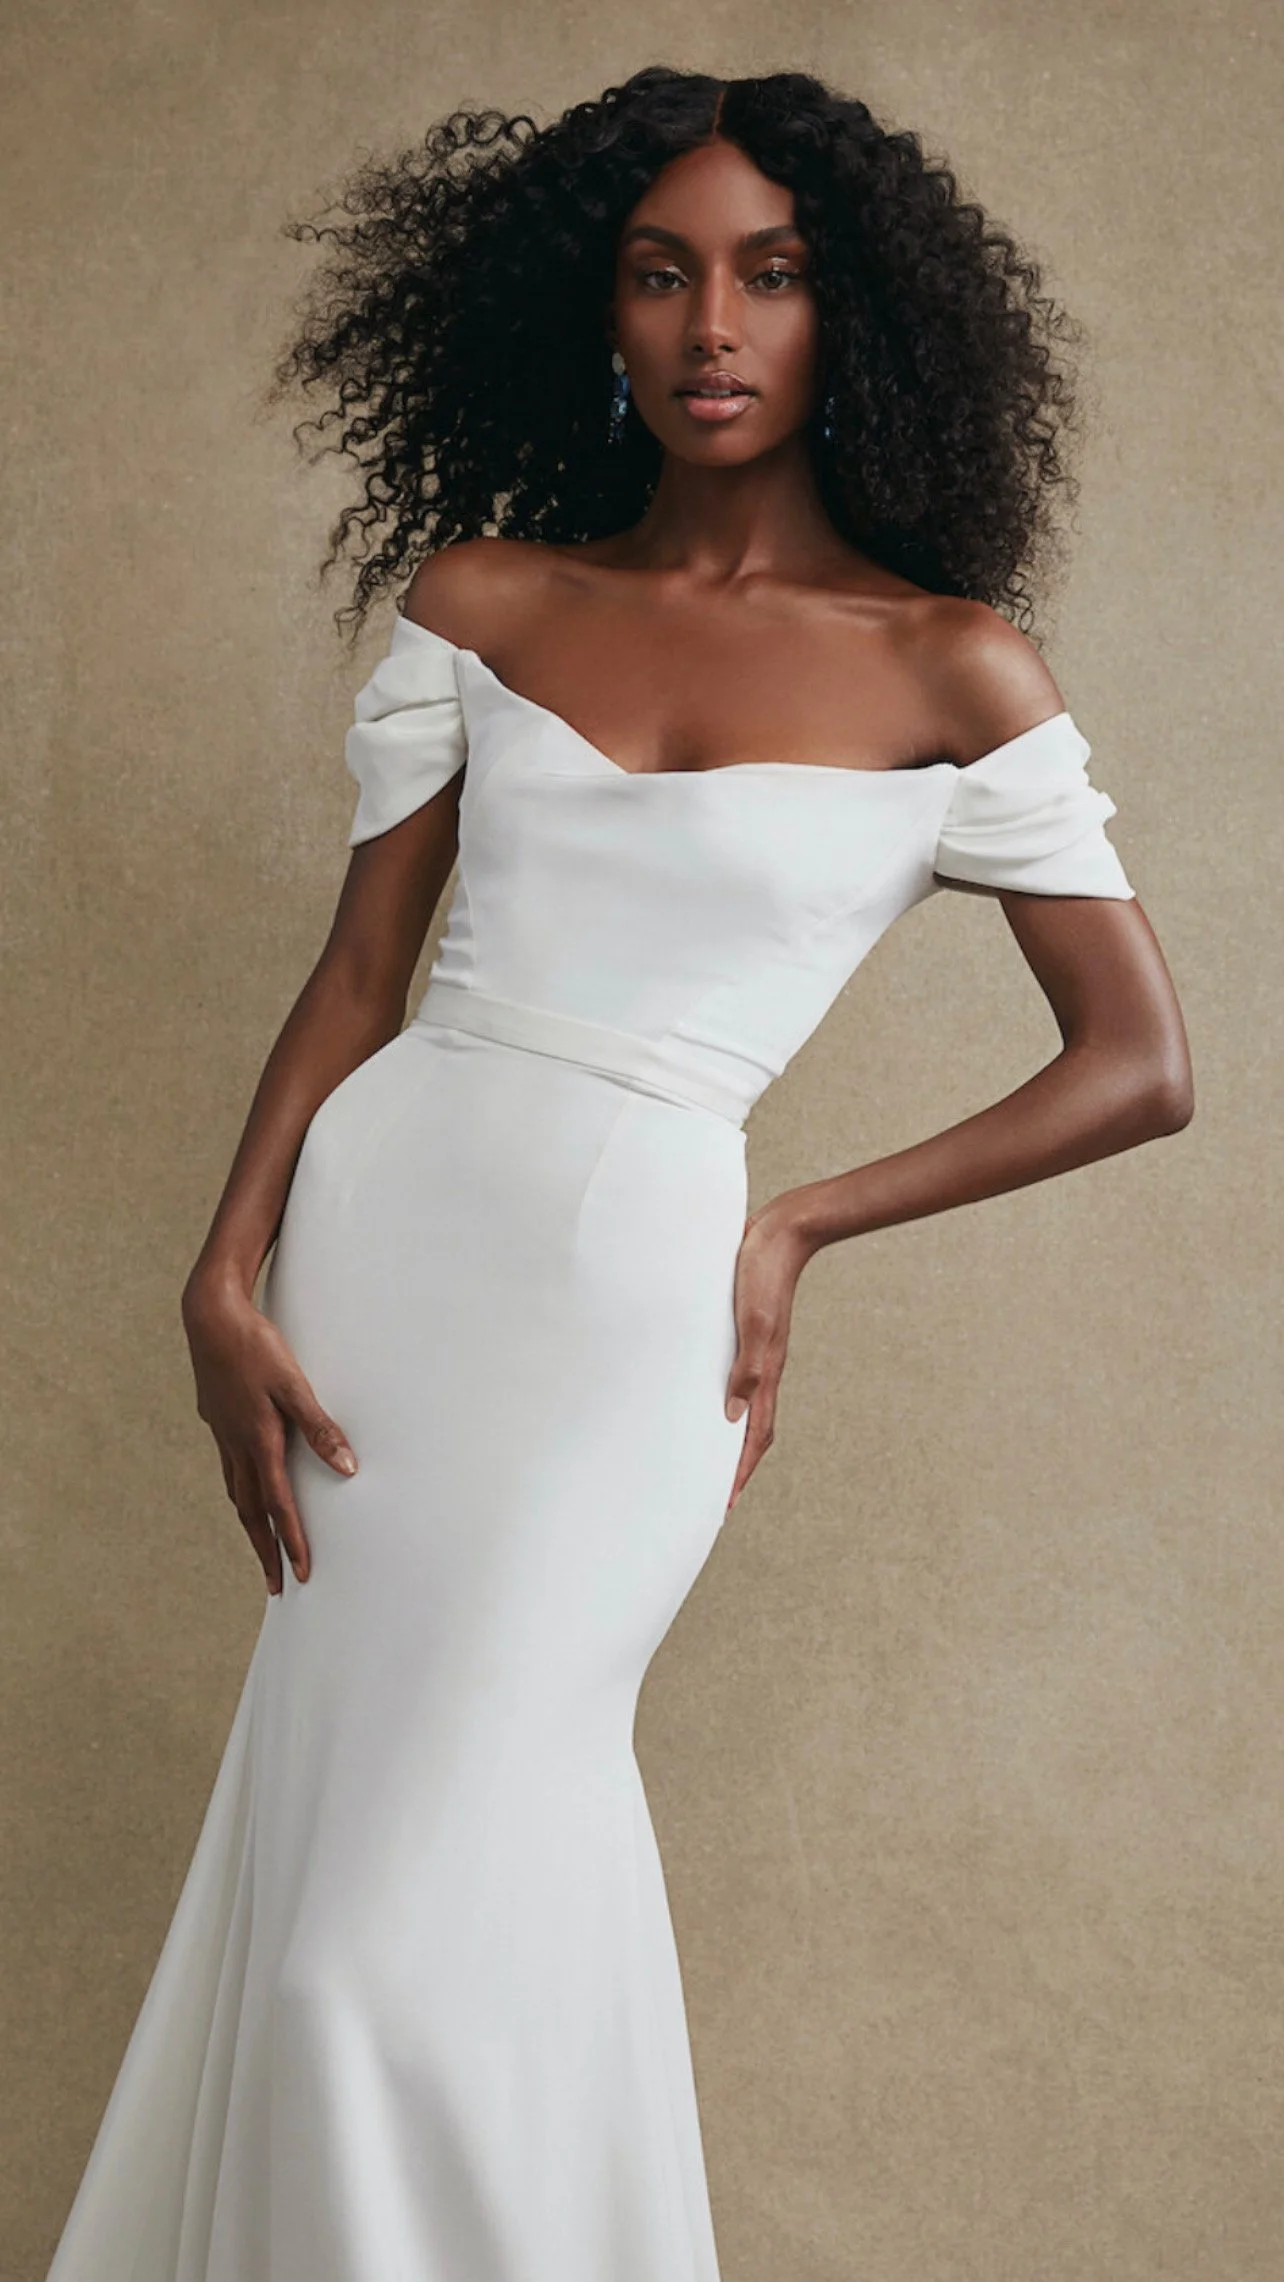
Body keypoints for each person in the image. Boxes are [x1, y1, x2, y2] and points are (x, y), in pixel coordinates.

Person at [46, 65, 1193, 2282]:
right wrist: (221, 1269)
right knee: (361, 1867)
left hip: (631, 1301)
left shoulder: (950, 663)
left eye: (771, 273)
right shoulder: (482, 597)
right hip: (385, 1255)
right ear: (601, 311)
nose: (712, 323)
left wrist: (794, 1220)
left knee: (400, 1922)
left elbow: (1141, 1065)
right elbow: (361, 966)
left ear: (856, 316)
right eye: (660, 271)